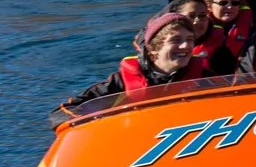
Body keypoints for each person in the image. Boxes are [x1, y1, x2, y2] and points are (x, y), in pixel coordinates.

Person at [64, 12, 206, 108]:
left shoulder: (205, 77)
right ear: (153, 48)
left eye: (190, 40)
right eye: (175, 40)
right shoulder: (120, 83)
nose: (185, 46)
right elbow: (66, 111)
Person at [203, 0, 256, 74]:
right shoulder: (199, 30)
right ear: (209, 6)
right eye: (223, 3)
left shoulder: (252, 32)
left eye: (235, 3)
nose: (229, 7)